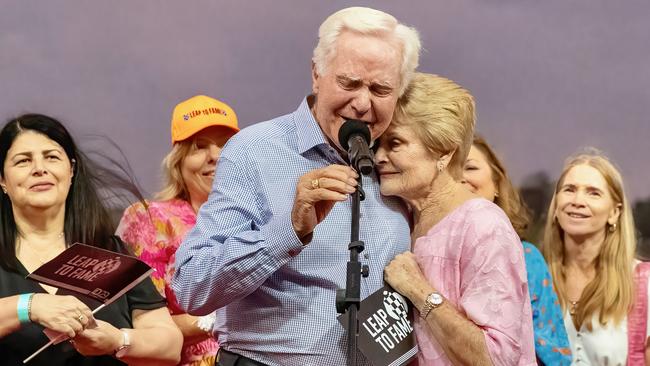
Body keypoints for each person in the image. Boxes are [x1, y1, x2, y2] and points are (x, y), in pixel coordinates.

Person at [171, 7, 421, 366]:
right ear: (317, 74)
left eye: (381, 89)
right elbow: (192, 286)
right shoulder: (253, 151)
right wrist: (286, 232)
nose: (363, 103)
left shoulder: (397, 163)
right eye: (349, 83)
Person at [378, 73, 536, 365]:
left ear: (443, 151)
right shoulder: (403, 216)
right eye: (378, 143)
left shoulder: (483, 226)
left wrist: (417, 289)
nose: (379, 156)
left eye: (395, 143)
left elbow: (495, 358)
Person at [0, 114, 182, 365]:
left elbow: (170, 346)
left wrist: (118, 340)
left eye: (52, 157)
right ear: (2, 180)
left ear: (71, 170)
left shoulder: (110, 251)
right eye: (23, 161)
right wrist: (29, 306)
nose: (39, 169)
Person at [117, 95, 239, 366]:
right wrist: (220, 320)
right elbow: (144, 324)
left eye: (225, 145)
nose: (216, 157)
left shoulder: (261, 222)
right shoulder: (150, 219)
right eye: (200, 147)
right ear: (179, 161)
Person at [462, 135, 572, 365]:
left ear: (497, 184)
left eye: (470, 167)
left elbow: (555, 355)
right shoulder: (422, 253)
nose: (460, 178)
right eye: (450, 170)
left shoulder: (527, 259)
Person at [542, 151, 650, 365]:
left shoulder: (644, 283)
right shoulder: (534, 278)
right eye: (569, 190)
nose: (578, 201)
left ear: (614, 213)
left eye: (593, 193)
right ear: (555, 207)